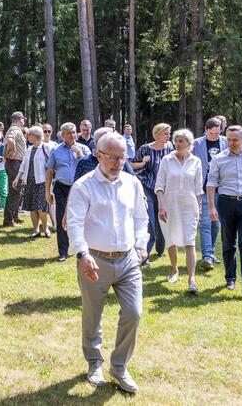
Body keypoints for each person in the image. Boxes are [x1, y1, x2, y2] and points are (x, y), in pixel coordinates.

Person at [67, 132, 149, 393]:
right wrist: (83, 254)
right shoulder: (83, 186)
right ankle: (94, 362)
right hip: (95, 260)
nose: (118, 163)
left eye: (122, 158)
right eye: (112, 157)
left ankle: (119, 366)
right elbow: (75, 224)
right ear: (98, 155)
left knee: (133, 313)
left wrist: (141, 243)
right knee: (93, 315)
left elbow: (140, 218)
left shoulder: (131, 183)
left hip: (127, 260)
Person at [207, 125, 242, 299]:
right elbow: (211, 183)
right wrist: (211, 207)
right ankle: (230, 278)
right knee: (228, 243)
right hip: (226, 203)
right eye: (229, 139)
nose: (231, 143)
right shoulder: (219, 158)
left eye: (235, 140)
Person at [155, 129, 203, 293]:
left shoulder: (196, 161)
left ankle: (191, 279)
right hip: (169, 204)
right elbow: (159, 185)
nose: (177, 143)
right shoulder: (166, 160)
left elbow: (198, 188)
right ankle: (174, 269)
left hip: (189, 206)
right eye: (176, 140)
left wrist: (199, 207)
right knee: (171, 239)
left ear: (189, 143)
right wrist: (161, 206)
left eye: (181, 141)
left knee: (190, 241)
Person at [132, 123, 174, 266]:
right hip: (148, 188)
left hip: (164, 190)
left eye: (169, 133)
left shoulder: (170, 148)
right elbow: (132, 166)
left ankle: (160, 249)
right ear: (157, 134)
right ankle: (145, 255)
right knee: (149, 220)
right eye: (166, 133)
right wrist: (142, 163)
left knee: (162, 218)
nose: (169, 136)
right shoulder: (144, 149)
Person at [45, 122, 88, 261]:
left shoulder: (84, 149)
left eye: (74, 132)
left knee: (81, 217)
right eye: (69, 133)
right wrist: (47, 192)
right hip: (62, 187)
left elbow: (91, 169)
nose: (72, 135)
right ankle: (63, 251)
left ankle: (82, 249)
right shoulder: (56, 150)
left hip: (80, 187)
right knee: (61, 217)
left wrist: (80, 155)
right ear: (63, 135)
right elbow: (50, 170)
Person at [192, 117, 226, 271]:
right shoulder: (196, 144)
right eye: (211, 133)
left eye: (217, 133)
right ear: (206, 130)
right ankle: (206, 256)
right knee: (205, 222)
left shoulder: (226, 142)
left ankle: (210, 253)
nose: (214, 136)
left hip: (223, 189)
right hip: (204, 188)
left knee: (216, 223)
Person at [13, 126, 52, 238]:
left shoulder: (46, 148)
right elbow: (23, 166)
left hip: (42, 182)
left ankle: (45, 227)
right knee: (32, 208)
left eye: (28, 134)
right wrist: (17, 178)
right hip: (29, 182)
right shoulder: (29, 149)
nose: (27, 136)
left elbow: (51, 165)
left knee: (41, 208)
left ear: (34, 136)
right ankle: (35, 229)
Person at [3, 111, 27, 226]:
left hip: (15, 163)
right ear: (19, 119)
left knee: (17, 191)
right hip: (14, 163)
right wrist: (12, 150)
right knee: (15, 191)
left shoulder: (16, 129)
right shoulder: (15, 129)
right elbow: (10, 140)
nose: (24, 121)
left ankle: (14, 216)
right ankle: (8, 220)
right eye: (23, 119)